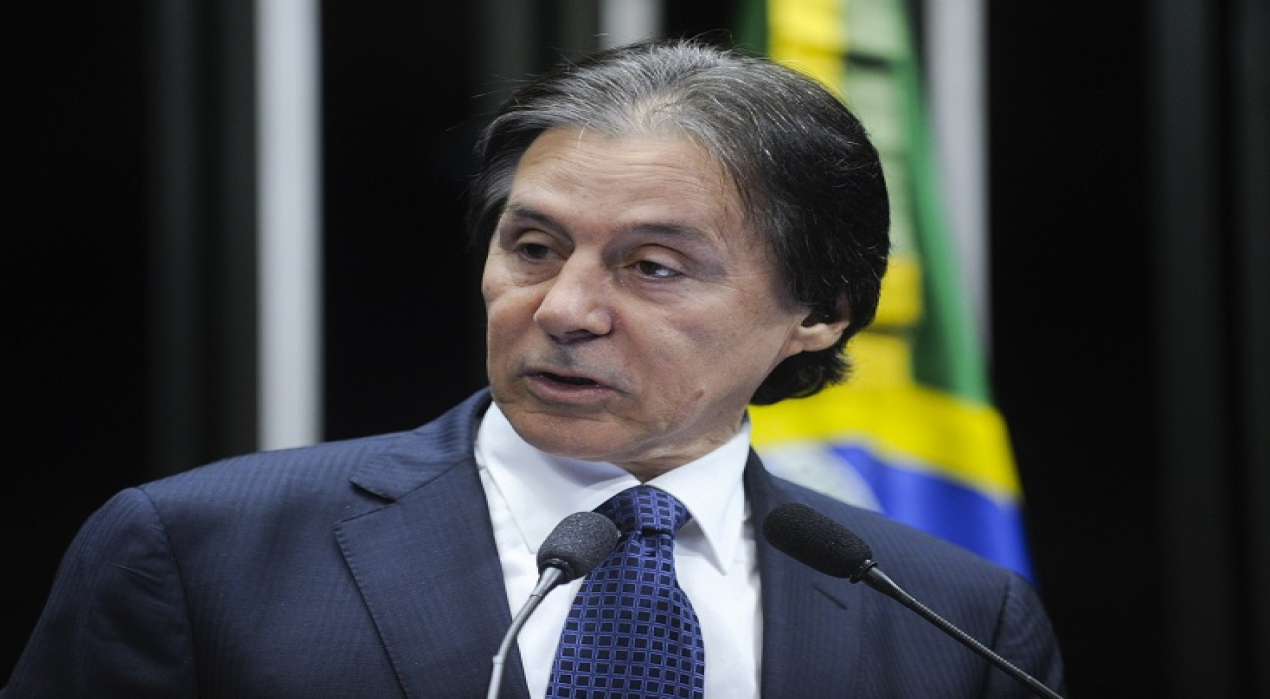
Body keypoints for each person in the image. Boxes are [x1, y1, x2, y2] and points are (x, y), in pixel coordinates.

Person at [3, 38, 1064, 698]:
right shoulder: (199, 556)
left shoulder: (958, 624)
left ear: (818, 314)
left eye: (652, 267)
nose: (563, 311)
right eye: (535, 247)